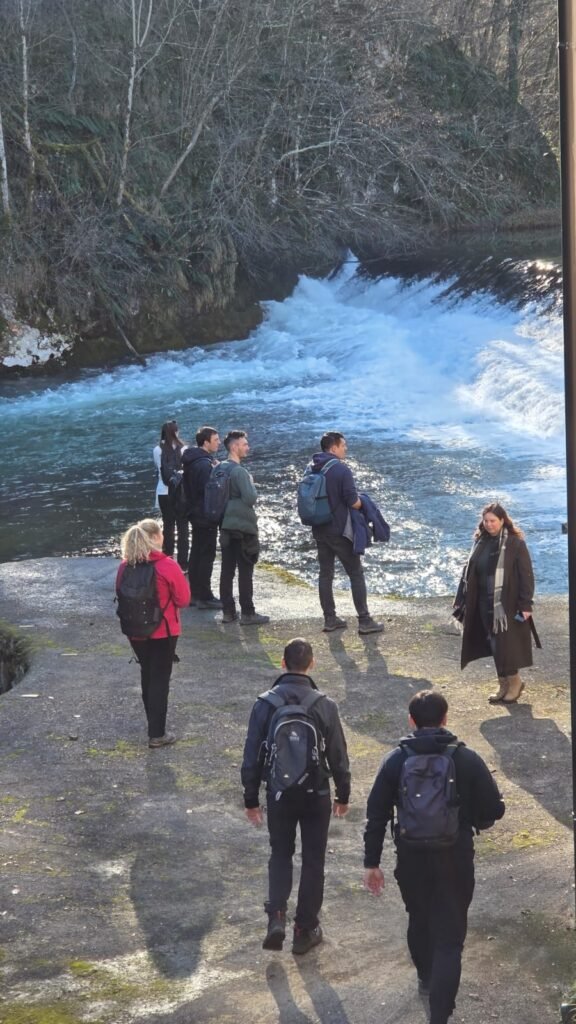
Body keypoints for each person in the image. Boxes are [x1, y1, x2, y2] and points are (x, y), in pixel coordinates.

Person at [364, 690, 505, 1024]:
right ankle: (440, 1014)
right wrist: (470, 816)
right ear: (445, 719)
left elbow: (376, 814)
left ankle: (426, 979)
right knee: (450, 937)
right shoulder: (466, 758)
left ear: (411, 721)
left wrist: (372, 863)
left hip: (411, 858)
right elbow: (494, 809)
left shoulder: (395, 760)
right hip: (455, 857)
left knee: (418, 919)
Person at [241, 638, 351, 954]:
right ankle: (305, 928)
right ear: (312, 664)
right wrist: (343, 794)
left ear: (282, 662)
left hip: (279, 793)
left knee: (280, 853)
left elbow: (252, 755)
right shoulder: (324, 705)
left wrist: (251, 799)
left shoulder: (265, 704)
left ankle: (276, 916)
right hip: (316, 792)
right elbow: (338, 755)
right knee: (314, 860)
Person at [116, 518, 190, 747]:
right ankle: (157, 733)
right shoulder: (167, 566)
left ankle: (153, 723)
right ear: (156, 537)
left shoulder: (124, 567)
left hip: (135, 631)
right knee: (159, 679)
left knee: (147, 675)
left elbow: (119, 593)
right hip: (164, 631)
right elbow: (183, 599)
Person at [453, 502, 537, 704]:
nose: (489, 524)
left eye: (493, 521)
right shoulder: (480, 541)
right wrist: (460, 599)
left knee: (506, 644)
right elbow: (467, 571)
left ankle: (515, 683)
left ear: (502, 520)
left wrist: (526, 605)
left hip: (506, 604)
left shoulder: (515, 544)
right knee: (493, 643)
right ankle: (503, 684)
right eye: (486, 521)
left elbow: (526, 575)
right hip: (482, 601)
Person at [307, 431, 383, 634]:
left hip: (319, 529)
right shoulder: (341, 470)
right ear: (333, 448)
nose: (346, 449)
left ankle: (330, 619)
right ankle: (364, 621)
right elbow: (352, 501)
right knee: (356, 574)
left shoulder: (312, 467)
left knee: (325, 574)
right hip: (340, 531)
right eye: (343, 445)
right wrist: (365, 502)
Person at [219, 430, 269, 625]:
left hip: (225, 525)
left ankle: (228, 612)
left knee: (227, 570)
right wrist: (251, 483)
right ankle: (248, 613)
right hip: (242, 526)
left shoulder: (219, 468)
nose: (247, 447)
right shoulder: (239, 472)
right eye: (244, 444)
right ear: (234, 447)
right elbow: (251, 498)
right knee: (245, 570)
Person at [182, 426, 222, 609]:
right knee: (206, 555)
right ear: (206, 442)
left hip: (194, 512)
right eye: (215, 440)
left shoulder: (192, 460)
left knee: (196, 552)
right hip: (205, 515)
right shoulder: (205, 465)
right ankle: (205, 596)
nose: (219, 443)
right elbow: (209, 491)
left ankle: (194, 593)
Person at [153, 420, 189, 571]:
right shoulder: (184, 449)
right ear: (176, 432)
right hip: (180, 492)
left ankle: (167, 561)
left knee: (168, 526)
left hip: (164, 491)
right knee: (183, 528)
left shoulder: (157, 449)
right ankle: (183, 564)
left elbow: (158, 469)